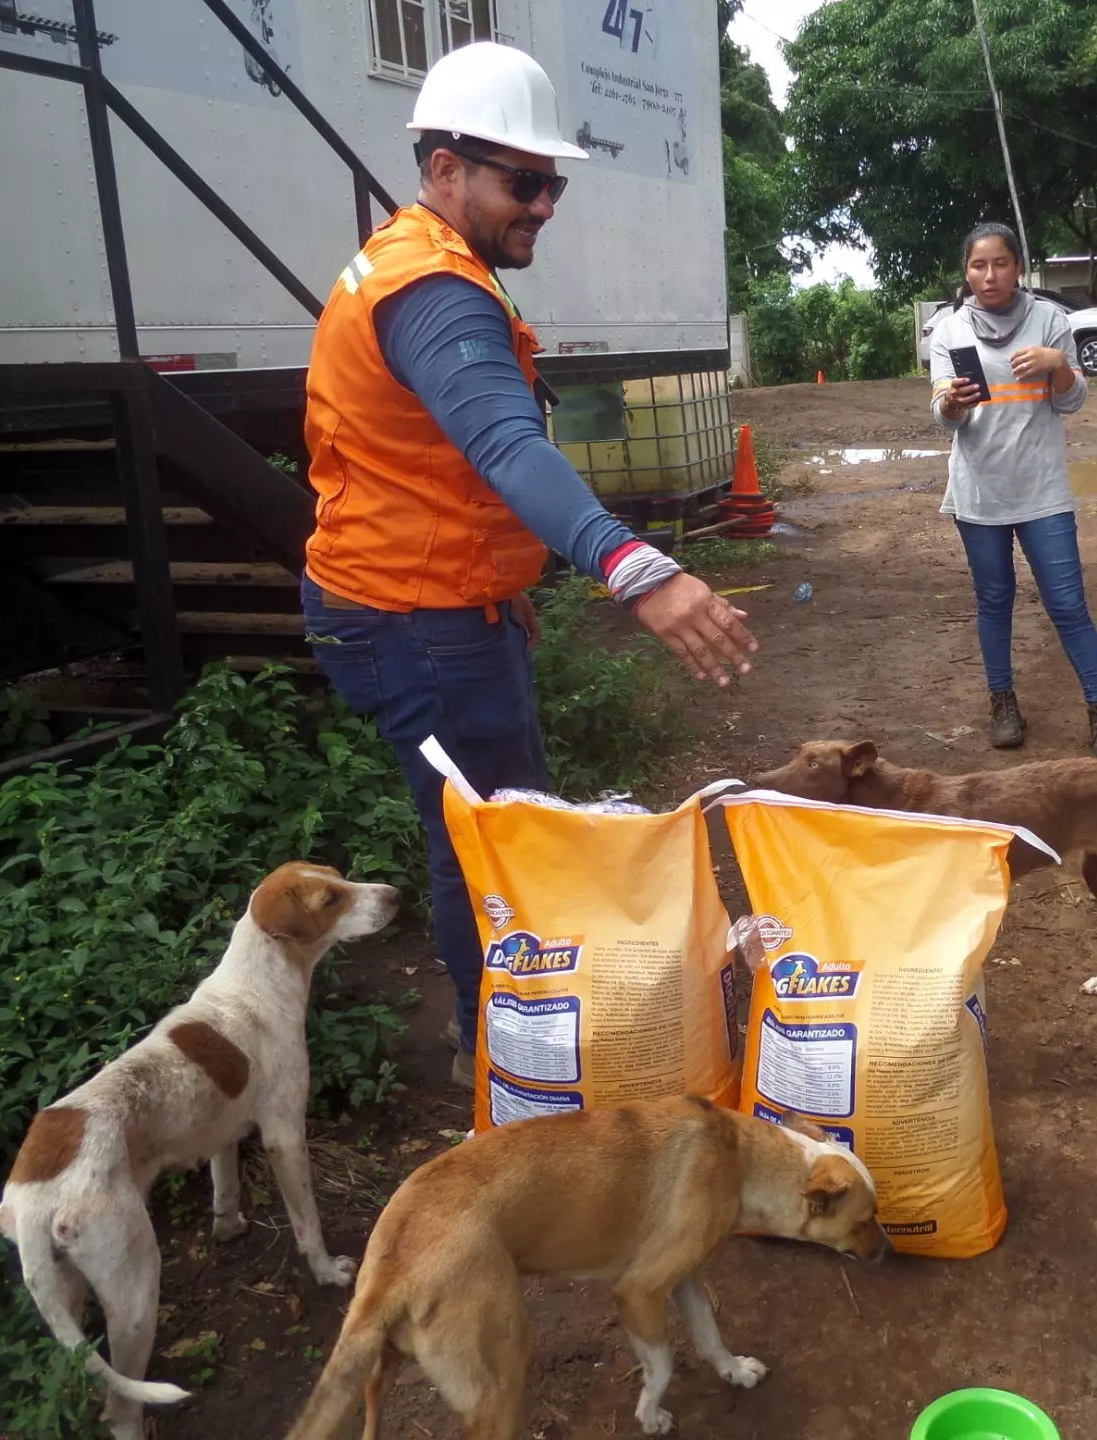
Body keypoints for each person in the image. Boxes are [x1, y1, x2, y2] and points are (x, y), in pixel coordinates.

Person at [300, 43, 756, 1090]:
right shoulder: (439, 294)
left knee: (496, 830)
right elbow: (509, 448)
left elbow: (437, 465)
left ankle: (509, 1032)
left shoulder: (412, 260)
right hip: (412, 617)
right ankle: (505, 1051)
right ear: (445, 166)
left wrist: (497, 589)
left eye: (553, 183)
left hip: (427, 604)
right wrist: (640, 570)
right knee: (499, 846)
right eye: (523, 180)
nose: (545, 203)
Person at [929, 222, 1097, 759]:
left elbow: (1071, 402)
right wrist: (953, 403)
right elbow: (945, 416)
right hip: (980, 492)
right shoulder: (949, 331)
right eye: (978, 266)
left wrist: (1058, 365)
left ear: (1018, 267)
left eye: (999, 264)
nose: (989, 276)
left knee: (1067, 603)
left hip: (1041, 490)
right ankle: (1002, 702)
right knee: (994, 600)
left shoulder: (1049, 320)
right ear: (966, 272)